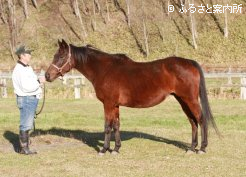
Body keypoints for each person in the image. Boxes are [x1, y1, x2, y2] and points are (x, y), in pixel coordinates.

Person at [12, 45, 46, 155]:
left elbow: (31, 81)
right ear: (22, 56)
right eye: (28, 53)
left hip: (30, 98)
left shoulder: (27, 67)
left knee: (27, 123)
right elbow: (26, 87)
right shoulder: (19, 69)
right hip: (26, 98)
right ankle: (24, 149)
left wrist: (38, 80)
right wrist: (39, 82)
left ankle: (25, 146)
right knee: (26, 124)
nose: (30, 55)